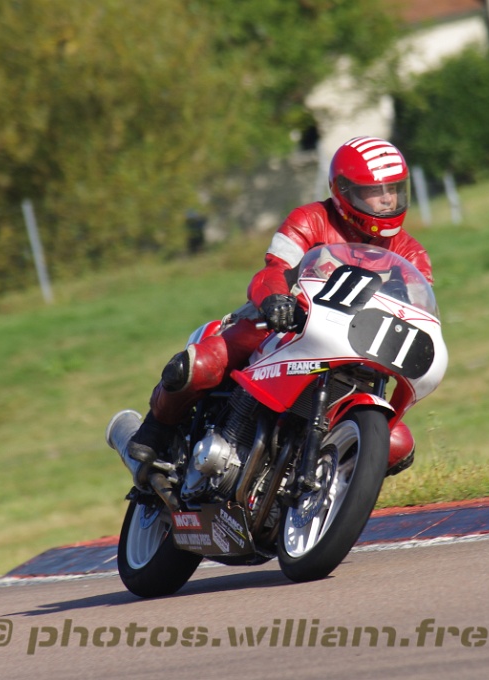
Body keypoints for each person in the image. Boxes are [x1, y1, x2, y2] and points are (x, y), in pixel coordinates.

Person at [127, 136, 433, 477]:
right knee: (199, 365)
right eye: (376, 191)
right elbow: (274, 269)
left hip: (358, 350)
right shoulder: (310, 219)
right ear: (344, 190)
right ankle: (155, 432)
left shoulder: (411, 253)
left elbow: (417, 311)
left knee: (397, 446)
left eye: (394, 189)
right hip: (287, 325)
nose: (388, 199)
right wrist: (276, 299)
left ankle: (327, 490)